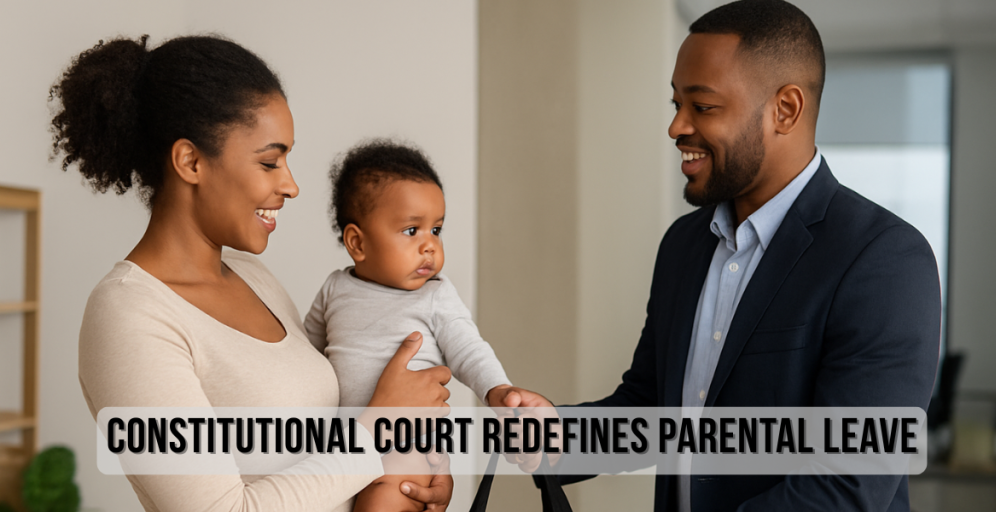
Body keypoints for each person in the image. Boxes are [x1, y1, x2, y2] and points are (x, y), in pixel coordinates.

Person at [523, 1, 942, 510]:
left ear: (785, 110)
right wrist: (551, 435)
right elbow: (653, 409)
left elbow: (847, 482)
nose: (676, 127)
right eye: (675, 103)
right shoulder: (683, 244)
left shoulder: (884, 258)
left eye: (702, 107)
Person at [52, 34, 454, 511]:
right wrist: (375, 434)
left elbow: (327, 454)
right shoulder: (128, 315)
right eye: (269, 161)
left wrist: (405, 477)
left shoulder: (252, 276)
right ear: (191, 161)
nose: (291, 185)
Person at [304, 140, 520, 511]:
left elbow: (469, 349)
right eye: (411, 231)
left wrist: (496, 391)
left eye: (436, 229)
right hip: (348, 442)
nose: (429, 246)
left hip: (408, 445)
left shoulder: (436, 295)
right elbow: (305, 354)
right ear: (357, 243)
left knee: (383, 500)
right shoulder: (335, 289)